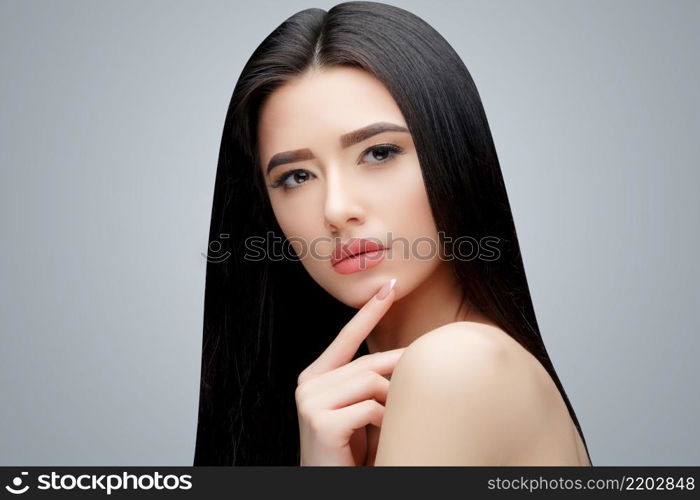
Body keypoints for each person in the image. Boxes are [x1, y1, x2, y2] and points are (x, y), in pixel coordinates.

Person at [193, 1, 593, 466]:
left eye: (379, 152)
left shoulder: (458, 366)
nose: (337, 209)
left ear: (453, 155)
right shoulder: (344, 407)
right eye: (297, 177)